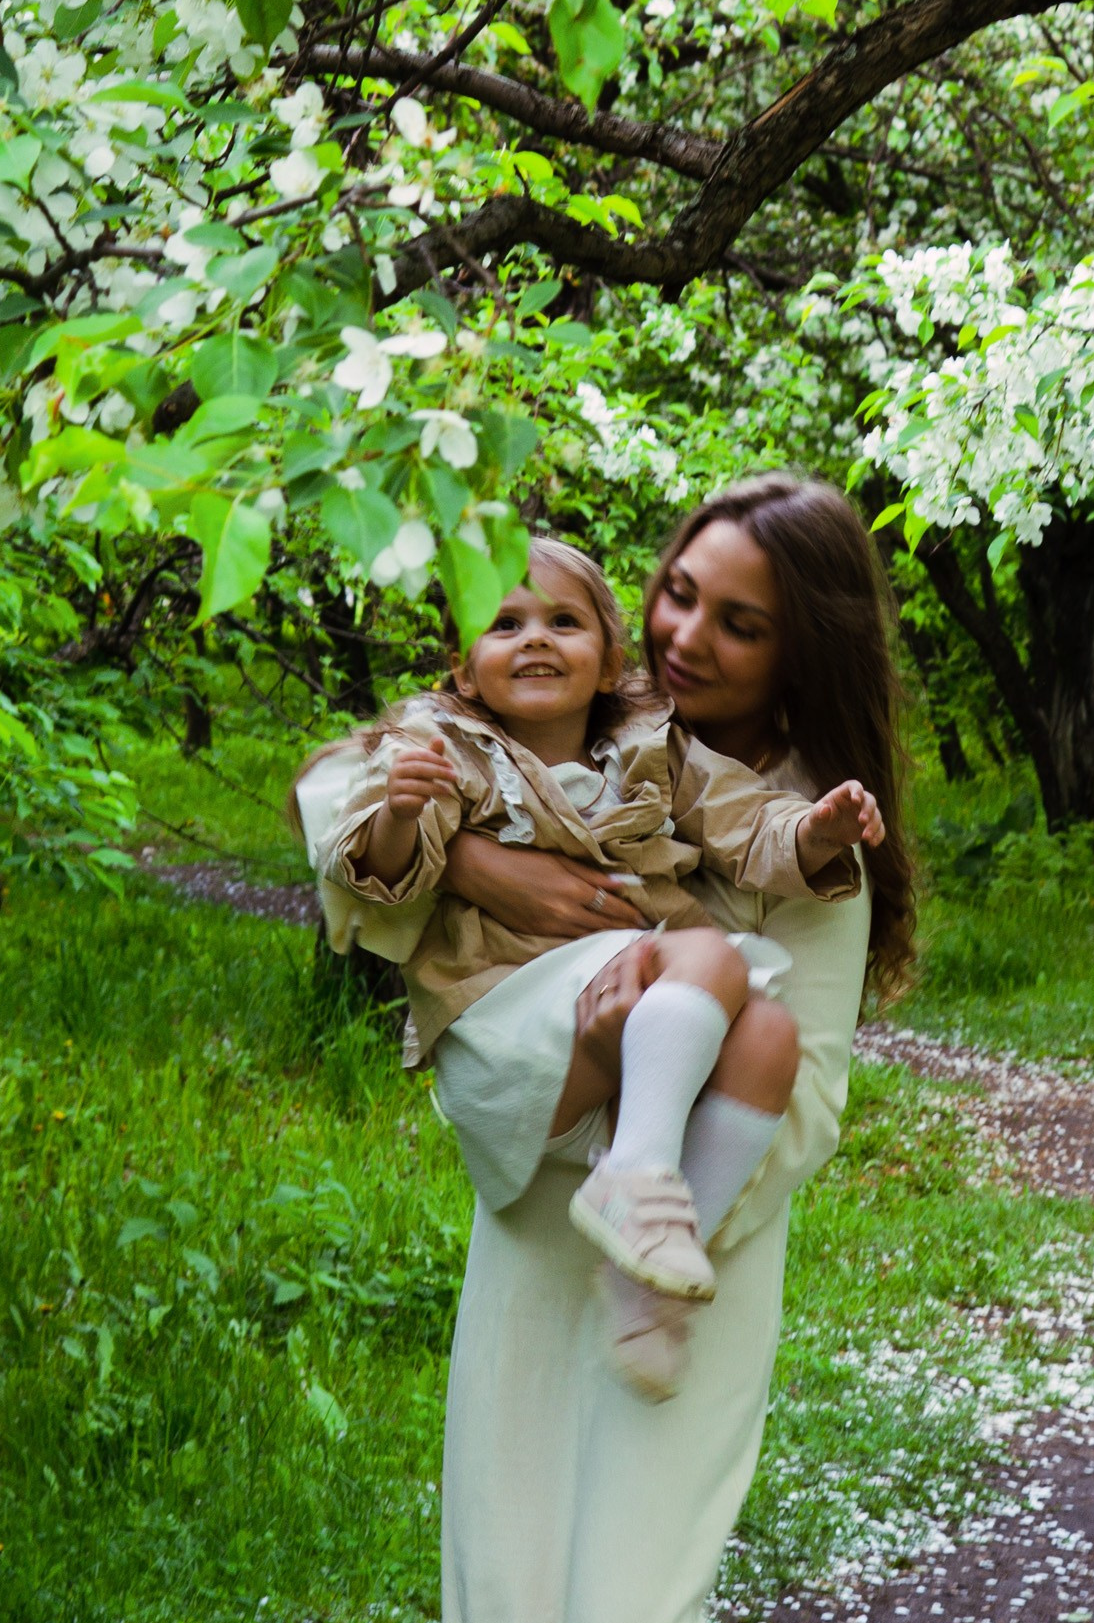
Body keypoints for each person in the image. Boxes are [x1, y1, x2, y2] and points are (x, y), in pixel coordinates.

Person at [298, 475, 915, 1623]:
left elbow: (802, 1085)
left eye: (737, 619)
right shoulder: (568, 735)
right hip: (532, 1234)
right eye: (673, 594)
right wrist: (488, 855)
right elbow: (368, 867)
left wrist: (659, 1169)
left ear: (807, 648)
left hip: (686, 1243)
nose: (681, 636)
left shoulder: (795, 828)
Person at [308, 535, 881, 1336]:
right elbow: (374, 861)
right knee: (706, 953)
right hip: (505, 1025)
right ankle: (640, 1172)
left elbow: (743, 819)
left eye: (563, 621)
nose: (534, 638)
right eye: (502, 623)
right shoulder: (443, 749)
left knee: (770, 1041)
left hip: (623, 1052)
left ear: (610, 663)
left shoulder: (654, 748)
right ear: (465, 670)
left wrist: (815, 834)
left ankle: (649, 1284)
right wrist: (402, 812)